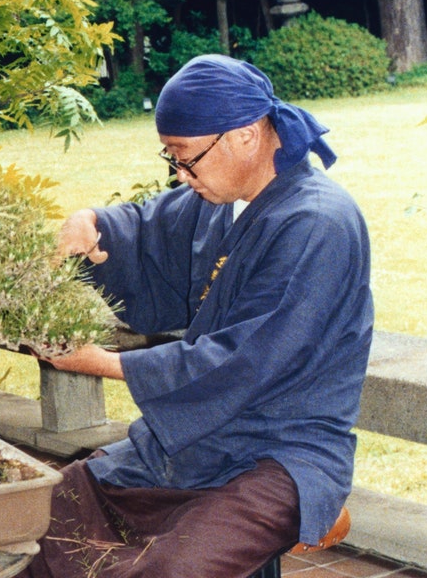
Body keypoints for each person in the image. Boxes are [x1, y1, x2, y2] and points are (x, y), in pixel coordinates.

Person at [23, 54, 372, 578]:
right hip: (190, 442)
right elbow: (144, 228)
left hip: (280, 452)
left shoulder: (318, 223)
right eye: (173, 160)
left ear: (246, 136)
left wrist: (100, 362)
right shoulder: (219, 199)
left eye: (187, 160)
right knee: (41, 521)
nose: (181, 176)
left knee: (172, 569)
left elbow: (250, 359)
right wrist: (90, 223)